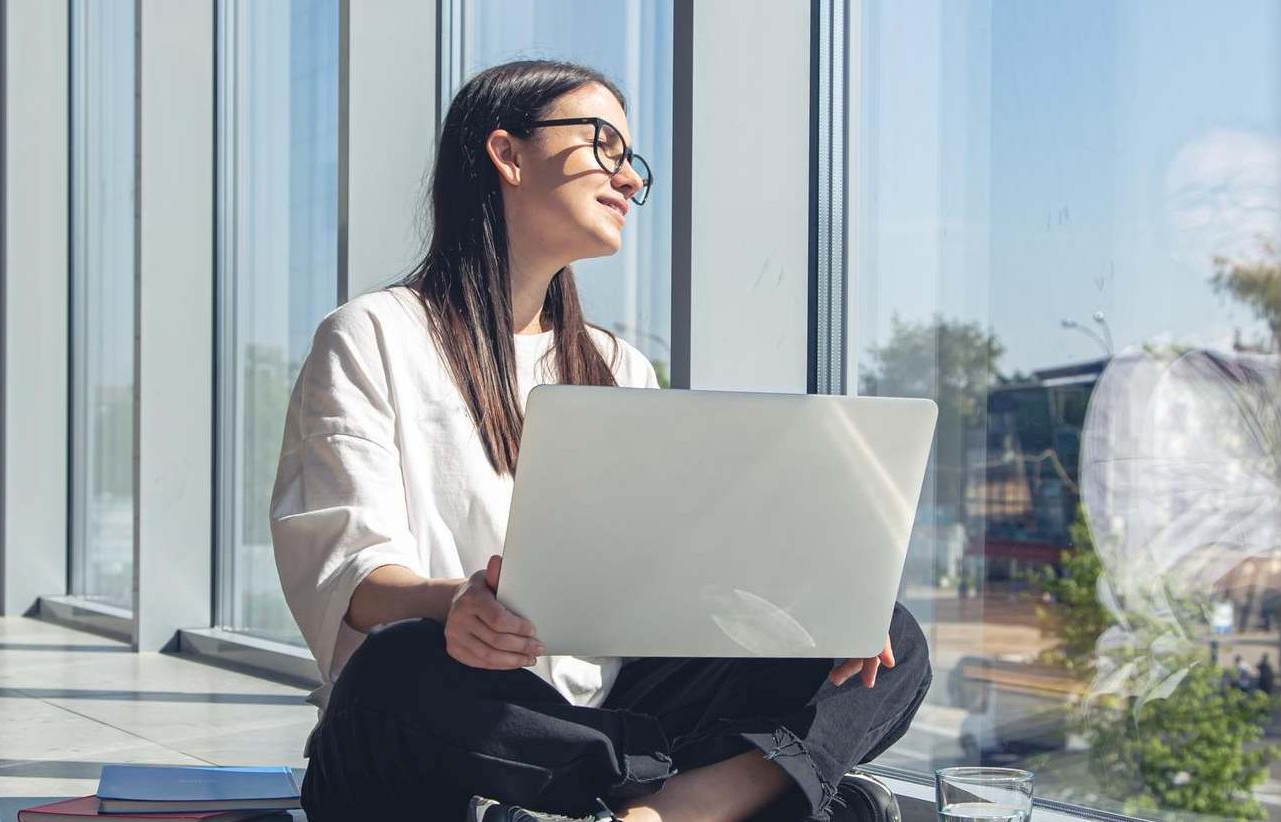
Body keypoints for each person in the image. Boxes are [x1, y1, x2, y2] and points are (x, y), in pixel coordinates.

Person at [270, 59, 932, 822]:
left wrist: (819, 609)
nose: (629, 181)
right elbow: (342, 566)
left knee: (888, 640)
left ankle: (678, 808)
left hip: (611, 711)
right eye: (604, 146)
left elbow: (673, 577)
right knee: (399, 665)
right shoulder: (374, 334)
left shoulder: (618, 366)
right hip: (467, 727)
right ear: (507, 154)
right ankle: (729, 793)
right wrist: (452, 601)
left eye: (633, 162)